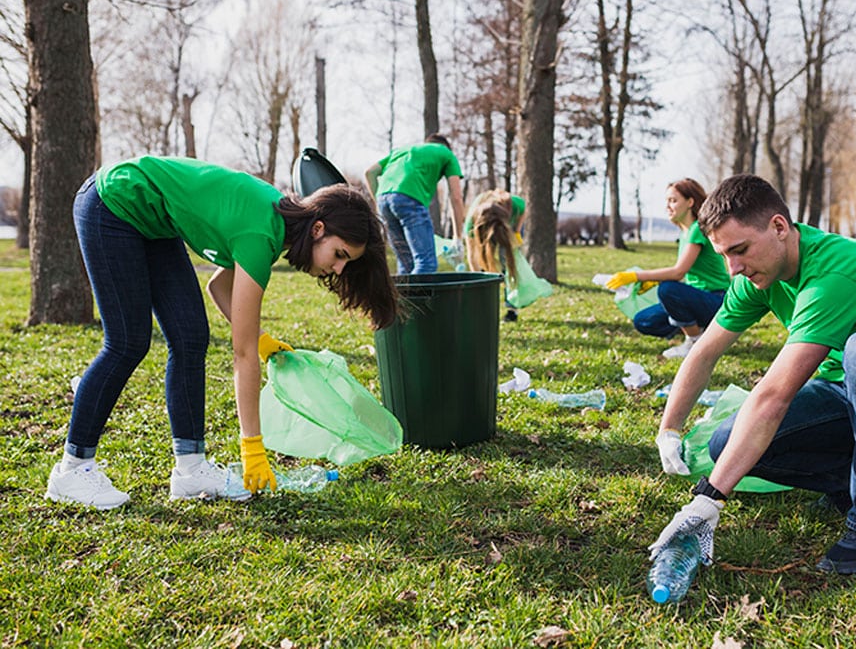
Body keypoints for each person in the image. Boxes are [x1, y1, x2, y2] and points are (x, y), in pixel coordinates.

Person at [648, 174, 856, 574]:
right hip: (848, 389)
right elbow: (703, 352)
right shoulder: (755, 274)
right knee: (724, 445)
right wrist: (670, 429)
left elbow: (775, 394)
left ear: (779, 227)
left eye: (740, 250)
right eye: (723, 255)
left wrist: (709, 497)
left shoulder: (836, 271)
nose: (733, 268)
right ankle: (852, 482)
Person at [46, 155, 398, 509]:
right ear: (318, 229)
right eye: (339, 255)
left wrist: (260, 340)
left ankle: (191, 469)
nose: (336, 268)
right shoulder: (261, 233)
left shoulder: (276, 228)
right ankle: (72, 469)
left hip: (154, 221)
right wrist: (253, 447)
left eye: (345, 263)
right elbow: (241, 355)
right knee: (127, 342)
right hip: (114, 201)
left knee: (190, 337)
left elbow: (218, 287)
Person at [605, 178, 730, 358]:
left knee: (668, 290)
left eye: (673, 200)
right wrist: (652, 282)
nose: (668, 206)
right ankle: (699, 329)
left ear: (690, 202)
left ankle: (694, 342)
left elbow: (679, 271)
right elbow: (683, 274)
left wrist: (636, 276)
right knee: (643, 321)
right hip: (696, 298)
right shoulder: (685, 233)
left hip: (715, 299)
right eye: (667, 201)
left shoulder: (697, 229)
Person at [365, 133, 465, 274]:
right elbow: (456, 197)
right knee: (426, 263)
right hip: (409, 198)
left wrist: (381, 204)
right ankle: (418, 297)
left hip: (383, 199)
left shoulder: (401, 151)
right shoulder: (446, 153)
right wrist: (458, 237)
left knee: (406, 264)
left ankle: (401, 297)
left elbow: (370, 173)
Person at [463, 188, 526, 322]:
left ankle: (512, 309)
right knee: (485, 262)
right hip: (486, 226)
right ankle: (485, 304)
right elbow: (472, 255)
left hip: (507, 227)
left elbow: (524, 209)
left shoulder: (515, 204)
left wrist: (517, 230)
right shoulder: (471, 223)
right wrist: (478, 282)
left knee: (508, 263)